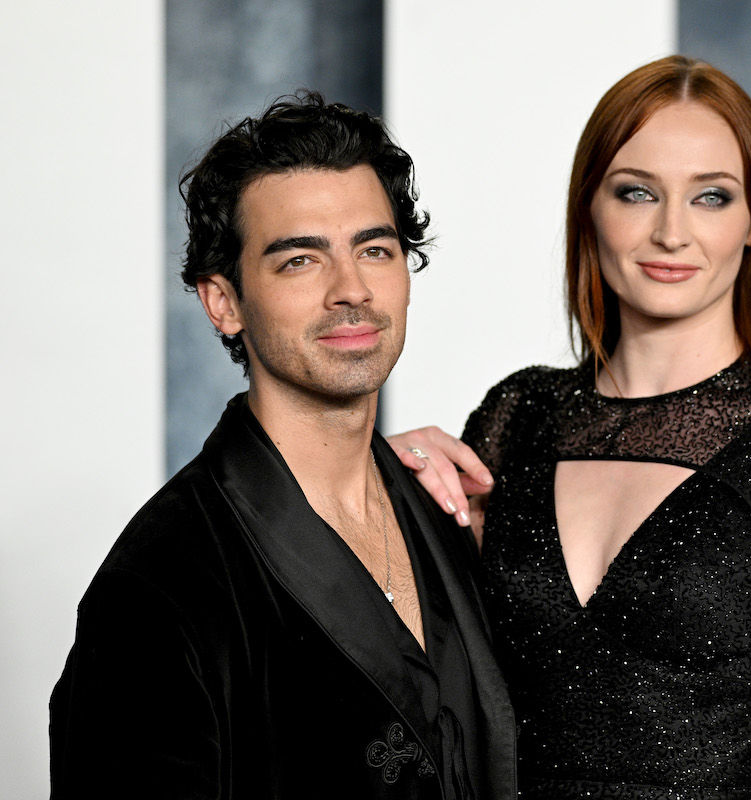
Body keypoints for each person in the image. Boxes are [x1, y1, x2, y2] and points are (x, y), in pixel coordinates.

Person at [391, 55, 751, 799]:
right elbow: (420, 696)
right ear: (590, 210)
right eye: (637, 193)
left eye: (711, 197)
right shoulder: (518, 418)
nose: (672, 232)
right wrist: (376, 489)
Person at [50, 93, 516, 800]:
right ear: (224, 301)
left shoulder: (439, 515)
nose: (350, 289)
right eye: (300, 260)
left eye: (376, 249)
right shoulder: (157, 587)